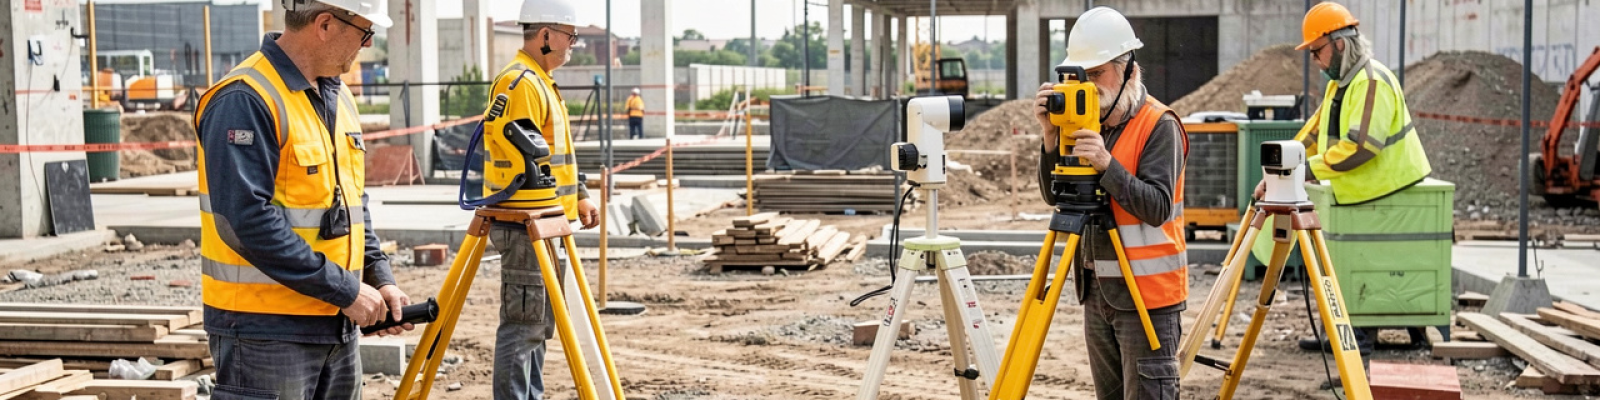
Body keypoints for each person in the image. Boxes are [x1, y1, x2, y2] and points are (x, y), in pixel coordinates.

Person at [193, 1, 411, 399]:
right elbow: (244, 220)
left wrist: (378, 278)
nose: (367, 44)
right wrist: (345, 290)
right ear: (325, 24)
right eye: (365, 32)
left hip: (335, 326)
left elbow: (352, 202)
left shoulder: (337, 95)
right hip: (265, 332)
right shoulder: (244, 98)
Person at [1254, 1, 1432, 355]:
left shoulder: (1371, 83)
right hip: (1360, 191)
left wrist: (1304, 170)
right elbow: (1314, 129)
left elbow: (1361, 147)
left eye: (1316, 51)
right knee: (1344, 266)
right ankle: (1338, 333)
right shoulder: (1342, 84)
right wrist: (1282, 166)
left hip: (1387, 190)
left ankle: (1359, 343)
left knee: (1364, 269)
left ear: (1339, 43)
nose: (1315, 60)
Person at [1032, 7, 1190, 400]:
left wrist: (1107, 164)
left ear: (1129, 71)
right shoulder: (1086, 124)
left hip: (1146, 299)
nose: (1088, 85)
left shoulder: (1159, 125)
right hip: (1098, 293)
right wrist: (1051, 139)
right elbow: (1058, 197)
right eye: (1082, 75)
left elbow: (1156, 207)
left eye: (1097, 73)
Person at [484, 0, 600, 398]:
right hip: (524, 222)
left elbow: (549, 154)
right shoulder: (520, 83)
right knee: (524, 324)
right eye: (571, 37)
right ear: (546, 35)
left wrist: (579, 194)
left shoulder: (539, 81)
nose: (573, 45)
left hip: (547, 220)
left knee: (540, 324)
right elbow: (521, 159)